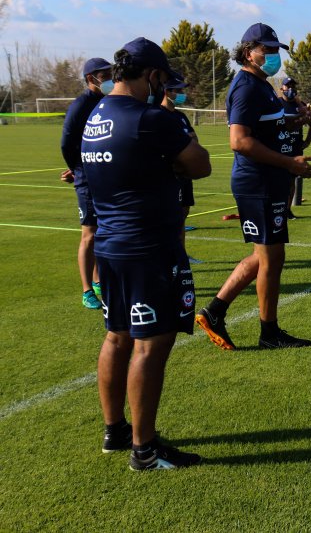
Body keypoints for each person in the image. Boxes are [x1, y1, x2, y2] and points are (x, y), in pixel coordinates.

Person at [82, 37, 211, 469]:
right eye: (163, 80)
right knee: (151, 345)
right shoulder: (151, 118)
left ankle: (115, 430)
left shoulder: (96, 113)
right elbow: (200, 164)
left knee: (116, 336)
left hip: (110, 244)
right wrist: (170, 157)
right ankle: (144, 449)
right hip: (148, 246)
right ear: (152, 76)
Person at [194, 23, 311, 351]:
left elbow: (267, 127)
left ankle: (214, 312)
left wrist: (297, 121)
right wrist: (288, 164)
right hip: (258, 182)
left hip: (268, 181)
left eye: (276, 50)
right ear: (248, 52)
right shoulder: (246, 87)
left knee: (265, 255)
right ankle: (269, 333)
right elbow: (239, 140)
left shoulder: (262, 85)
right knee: (271, 258)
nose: (274, 56)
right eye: (267, 50)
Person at [60, 57, 113, 309]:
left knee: (104, 230)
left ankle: (98, 279)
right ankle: (87, 290)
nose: (110, 79)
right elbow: (67, 142)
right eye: (105, 75)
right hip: (87, 179)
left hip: (105, 175)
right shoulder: (81, 105)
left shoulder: (108, 101)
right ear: (91, 79)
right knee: (89, 234)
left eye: (111, 74)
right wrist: (77, 169)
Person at [159, 72, 198, 254]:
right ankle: (170, 256)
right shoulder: (158, 115)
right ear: (167, 92)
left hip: (185, 173)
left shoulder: (181, 116)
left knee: (183, 214)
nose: (182, 94)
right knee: (171, 217)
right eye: (179, 91)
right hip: (170, 176)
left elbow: (194, 139)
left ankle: (181, 256)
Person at [280, 76, 311, 219]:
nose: (290, 89)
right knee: (278, 180)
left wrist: (307, 141)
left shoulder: (301, 105)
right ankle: (277, 209)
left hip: (295, 148)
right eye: (287, 86)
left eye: (293, 86)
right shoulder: (277, 104)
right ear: (281, 88)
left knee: (291, 181)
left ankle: (287, 210)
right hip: (279, 147)